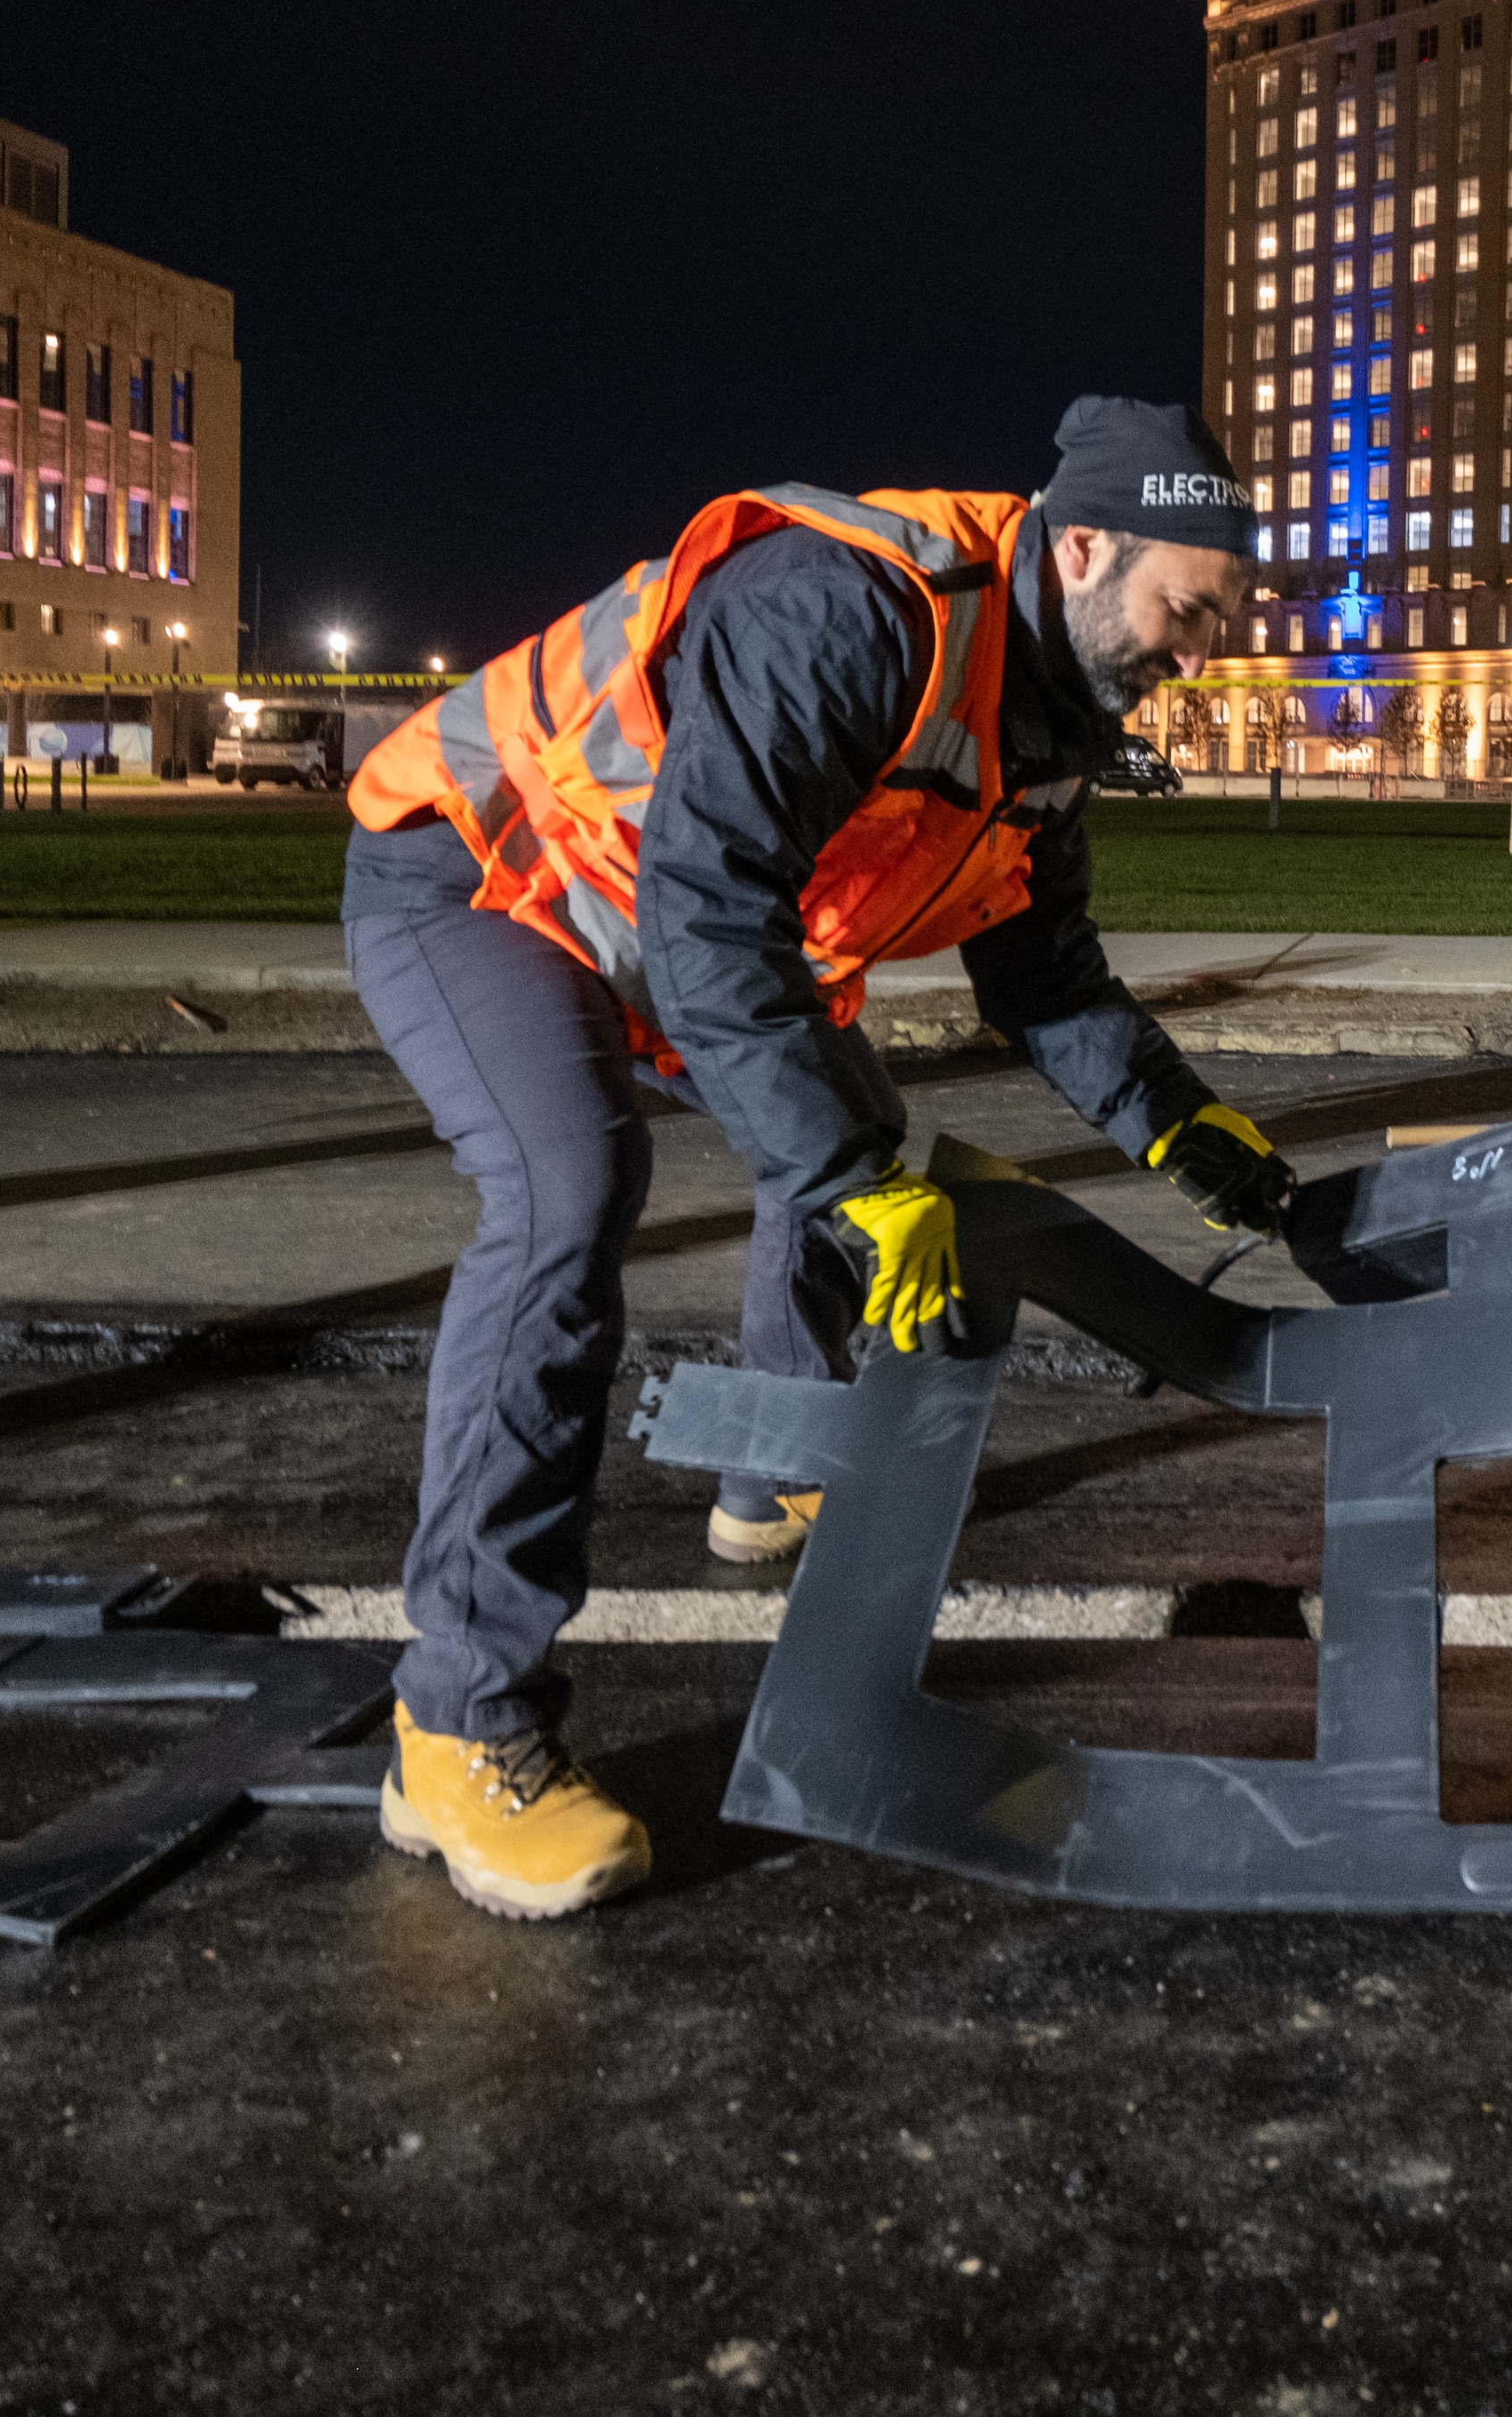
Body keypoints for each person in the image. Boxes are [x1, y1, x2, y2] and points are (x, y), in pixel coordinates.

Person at [337, 398, 1295, 1921]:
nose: (1203, 653)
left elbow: (1044, 975)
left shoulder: (1051, 719)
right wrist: (854, 1180)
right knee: (569, 1192)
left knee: (842, 1129)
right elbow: (710, 916)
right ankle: (455, 1728)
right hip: (484, 872)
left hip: (664, 919)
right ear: (1091, 542)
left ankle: (774, 1475)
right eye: (1194, 609)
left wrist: (1181, 1122)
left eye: (1226, 624)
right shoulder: (857, 611)